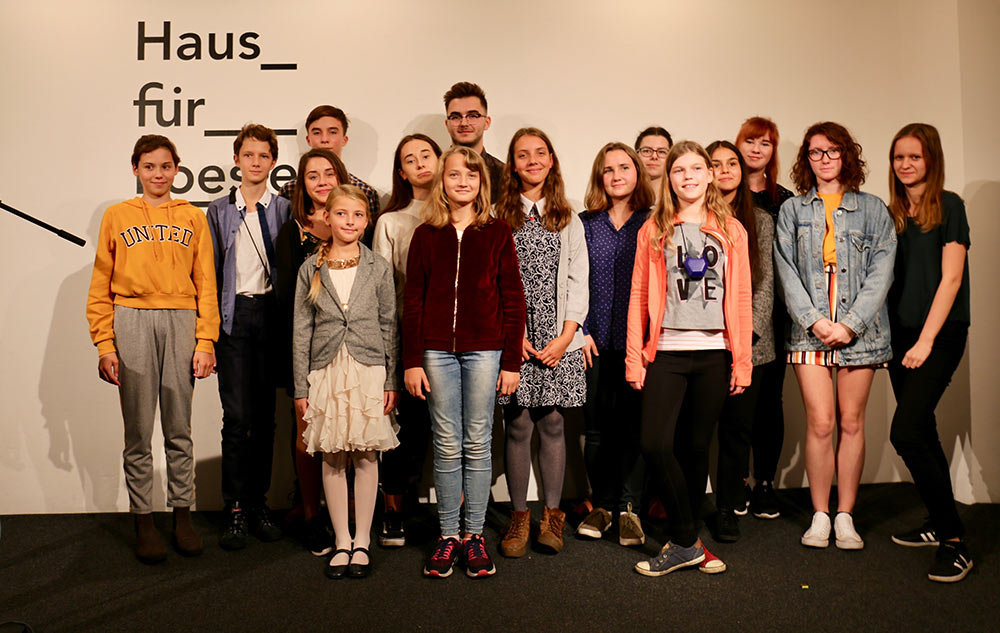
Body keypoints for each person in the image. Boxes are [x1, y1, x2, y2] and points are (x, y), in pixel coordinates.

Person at [86, 134, 220, 563]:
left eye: (165, 166)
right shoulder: (117, 215)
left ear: (176, 170)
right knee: (138, 430)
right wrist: (105, 344)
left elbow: (206, 282)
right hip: (131, 318)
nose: (158, 174)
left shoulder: (193, 217)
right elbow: (101, 284)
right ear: (136, 170)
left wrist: (205, 340)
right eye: (149, 166)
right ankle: (143, 519)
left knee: (179, 428)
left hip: (181, 319)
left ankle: (182, 515)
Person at [626, 141, 752, 577]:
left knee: (697, 448)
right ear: (670, 178)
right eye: (680, 170)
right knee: (655, 444)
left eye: (697, 168)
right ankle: (686, 541)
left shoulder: (732, 230)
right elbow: (638, 296)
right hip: (667, 352)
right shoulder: (654, 229)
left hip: (715, 353)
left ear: (710, 174)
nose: (689, 177)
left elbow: (741, 297)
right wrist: (634, 359)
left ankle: (687, 540)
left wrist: (742, 362)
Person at [403, 146, 525, 578]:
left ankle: (474, 536)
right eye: (454, 174)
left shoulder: (497, 232)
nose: (463, 182)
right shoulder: (426, 234)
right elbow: (413, 300)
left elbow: (513, 299)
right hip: (435, 351)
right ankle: (448, 535)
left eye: (471, 175)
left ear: (481, 183)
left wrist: (511, 361)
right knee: (446, 442)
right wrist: (412, 360)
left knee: (477, 441)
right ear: (443, 180)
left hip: (486, 350)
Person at [774, 121, 896, 550]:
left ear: (847, 155)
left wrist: (851, 323)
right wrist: (814, 320)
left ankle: (845, 515)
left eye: (832, 151)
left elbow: (882, 272)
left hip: (861, 332)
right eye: (815, 152)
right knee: (821, 423)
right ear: (806, 159)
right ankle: (820, 515)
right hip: (809, 330)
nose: (823, 159)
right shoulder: (793, 210)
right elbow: (785, 270)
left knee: (851, 421)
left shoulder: (873, 209)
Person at [292, 185, 399, 579]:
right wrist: (300, 387)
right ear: (327, 218)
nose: (349, 222)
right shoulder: (310, 268)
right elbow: (301, 331)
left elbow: (389, 325)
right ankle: (341, 540)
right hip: (326, 370)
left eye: (357, 215)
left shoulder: (378, 267)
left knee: (367, 455)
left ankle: (362, 541)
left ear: (367, 220)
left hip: (368, 369)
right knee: (333, 456)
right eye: (341, 214)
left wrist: (391, 379)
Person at [494, 127, 589, 557]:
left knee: (553, 423)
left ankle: (552, 515)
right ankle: (519, 517)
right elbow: (491, 281)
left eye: (540, 153)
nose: (532, 160)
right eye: (523, 154)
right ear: (513, 165)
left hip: (558, 337)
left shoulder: (568, 217)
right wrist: (514, 336)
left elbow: (578, 281)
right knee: (517, 424)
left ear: (551, 160)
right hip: (515, 336)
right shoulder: (498, 216)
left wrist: (566, 337)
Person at [885, 123, 973, 582]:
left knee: (905, 432)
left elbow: (952, 279)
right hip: (900, 335)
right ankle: (940, 522)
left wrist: (926, 341)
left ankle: (955, 542)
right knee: (922, 428)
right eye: (899, 157)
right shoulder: (893, 212)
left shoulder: (949, 205)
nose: (905, 164)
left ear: (931, 160)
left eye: (914, 157)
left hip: (939, 334)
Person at [207, 123, 290, 551]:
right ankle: (235, 507)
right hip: (234, 317)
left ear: (273, 161)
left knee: (266, 418)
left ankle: (259, 503)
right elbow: (209, 273)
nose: (255, 162)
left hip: (271, 317)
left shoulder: (284, 209)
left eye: (263, 155)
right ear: (236, 159)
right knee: (237, 418)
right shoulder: (218, 210)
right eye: (248, 155)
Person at [576, 142, 653, 548]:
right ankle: (603, 505)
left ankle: (629, 509)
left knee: (634, 429)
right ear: (599, 177)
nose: (617, 175)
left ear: (638, 172)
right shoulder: (586, 224)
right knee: (596, 431)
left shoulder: (654, 222)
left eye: (625, 167)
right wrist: (582, 330)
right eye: (608, 169)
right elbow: (573, 280)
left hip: (639, 344)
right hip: (593, 343)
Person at [274, 148, 351, 556]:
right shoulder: (292, 232)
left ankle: (347, 517)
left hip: (350, 350)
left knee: (347, 435)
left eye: (328, 173)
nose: (321, 181)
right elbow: (289, 299)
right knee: (306, 436)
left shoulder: (353, 222)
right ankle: (310, 515)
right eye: (312, 175)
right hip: (305, 348)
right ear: (301, 184)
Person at [371, 133, 442, 547]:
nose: (420, 163)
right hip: (405, 336)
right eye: (410, 159)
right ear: (401, 172)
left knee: (449, 430)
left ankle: (455, 514)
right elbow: (382, 292)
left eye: (426, 155)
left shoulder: (460, 214)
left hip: (451, 341)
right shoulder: (391, 222)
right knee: (405, 430)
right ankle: (393, 509)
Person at [706, 140, 775, 543]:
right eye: (716, 164)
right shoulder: (694, 217)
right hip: (705, 342)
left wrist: (745, 338)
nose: (725, 170)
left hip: (750, 345)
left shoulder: (760, 220)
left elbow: (764, 284)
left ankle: (727, 507)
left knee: (736, 431)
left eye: (732, 163)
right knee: (698, 432)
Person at [735, 116, 795, 518]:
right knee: (737, 401)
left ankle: (766, 482)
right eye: (750, 141)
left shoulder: (785, 200)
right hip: (732, 313)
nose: (757, 149)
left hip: (776, 315)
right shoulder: (722, 195)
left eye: (765, 143)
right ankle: (737, 478)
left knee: (770, 401)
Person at [281, 105, 380, 244]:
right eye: (317, 133)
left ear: (344, 139)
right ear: (308, 140)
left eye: (332, 132)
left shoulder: (365, 192)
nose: (324, 139)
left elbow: (370, 245)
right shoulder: (290, 190)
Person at [443, 81, 505, 197]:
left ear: (487, 122)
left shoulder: (504, 175)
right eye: (456, 117)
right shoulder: (435, 171)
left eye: (472, 116)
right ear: (447, 124)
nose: (464, 123)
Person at [634, 127, 673, 206]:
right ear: (636, 155)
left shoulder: (680, 200)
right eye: (647, 151)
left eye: (662, 152)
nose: (654, 156)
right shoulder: (625, 200)